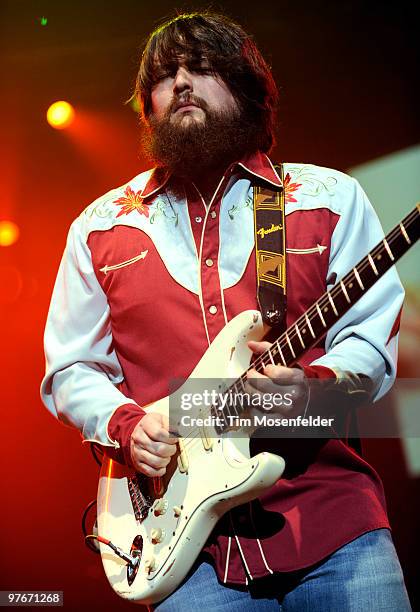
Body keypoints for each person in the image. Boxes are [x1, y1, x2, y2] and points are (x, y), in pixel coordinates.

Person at [41, 11, 411, 611]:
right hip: (186, 549)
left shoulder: (327, 197)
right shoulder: (101, 226)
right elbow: (70, 369)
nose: (181, 82)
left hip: (332, 519)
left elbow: (369, 341)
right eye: (164, 76)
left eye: (203, 67)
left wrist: (312, 385)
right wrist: (129, 426)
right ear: (149, 107)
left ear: (246, 86)